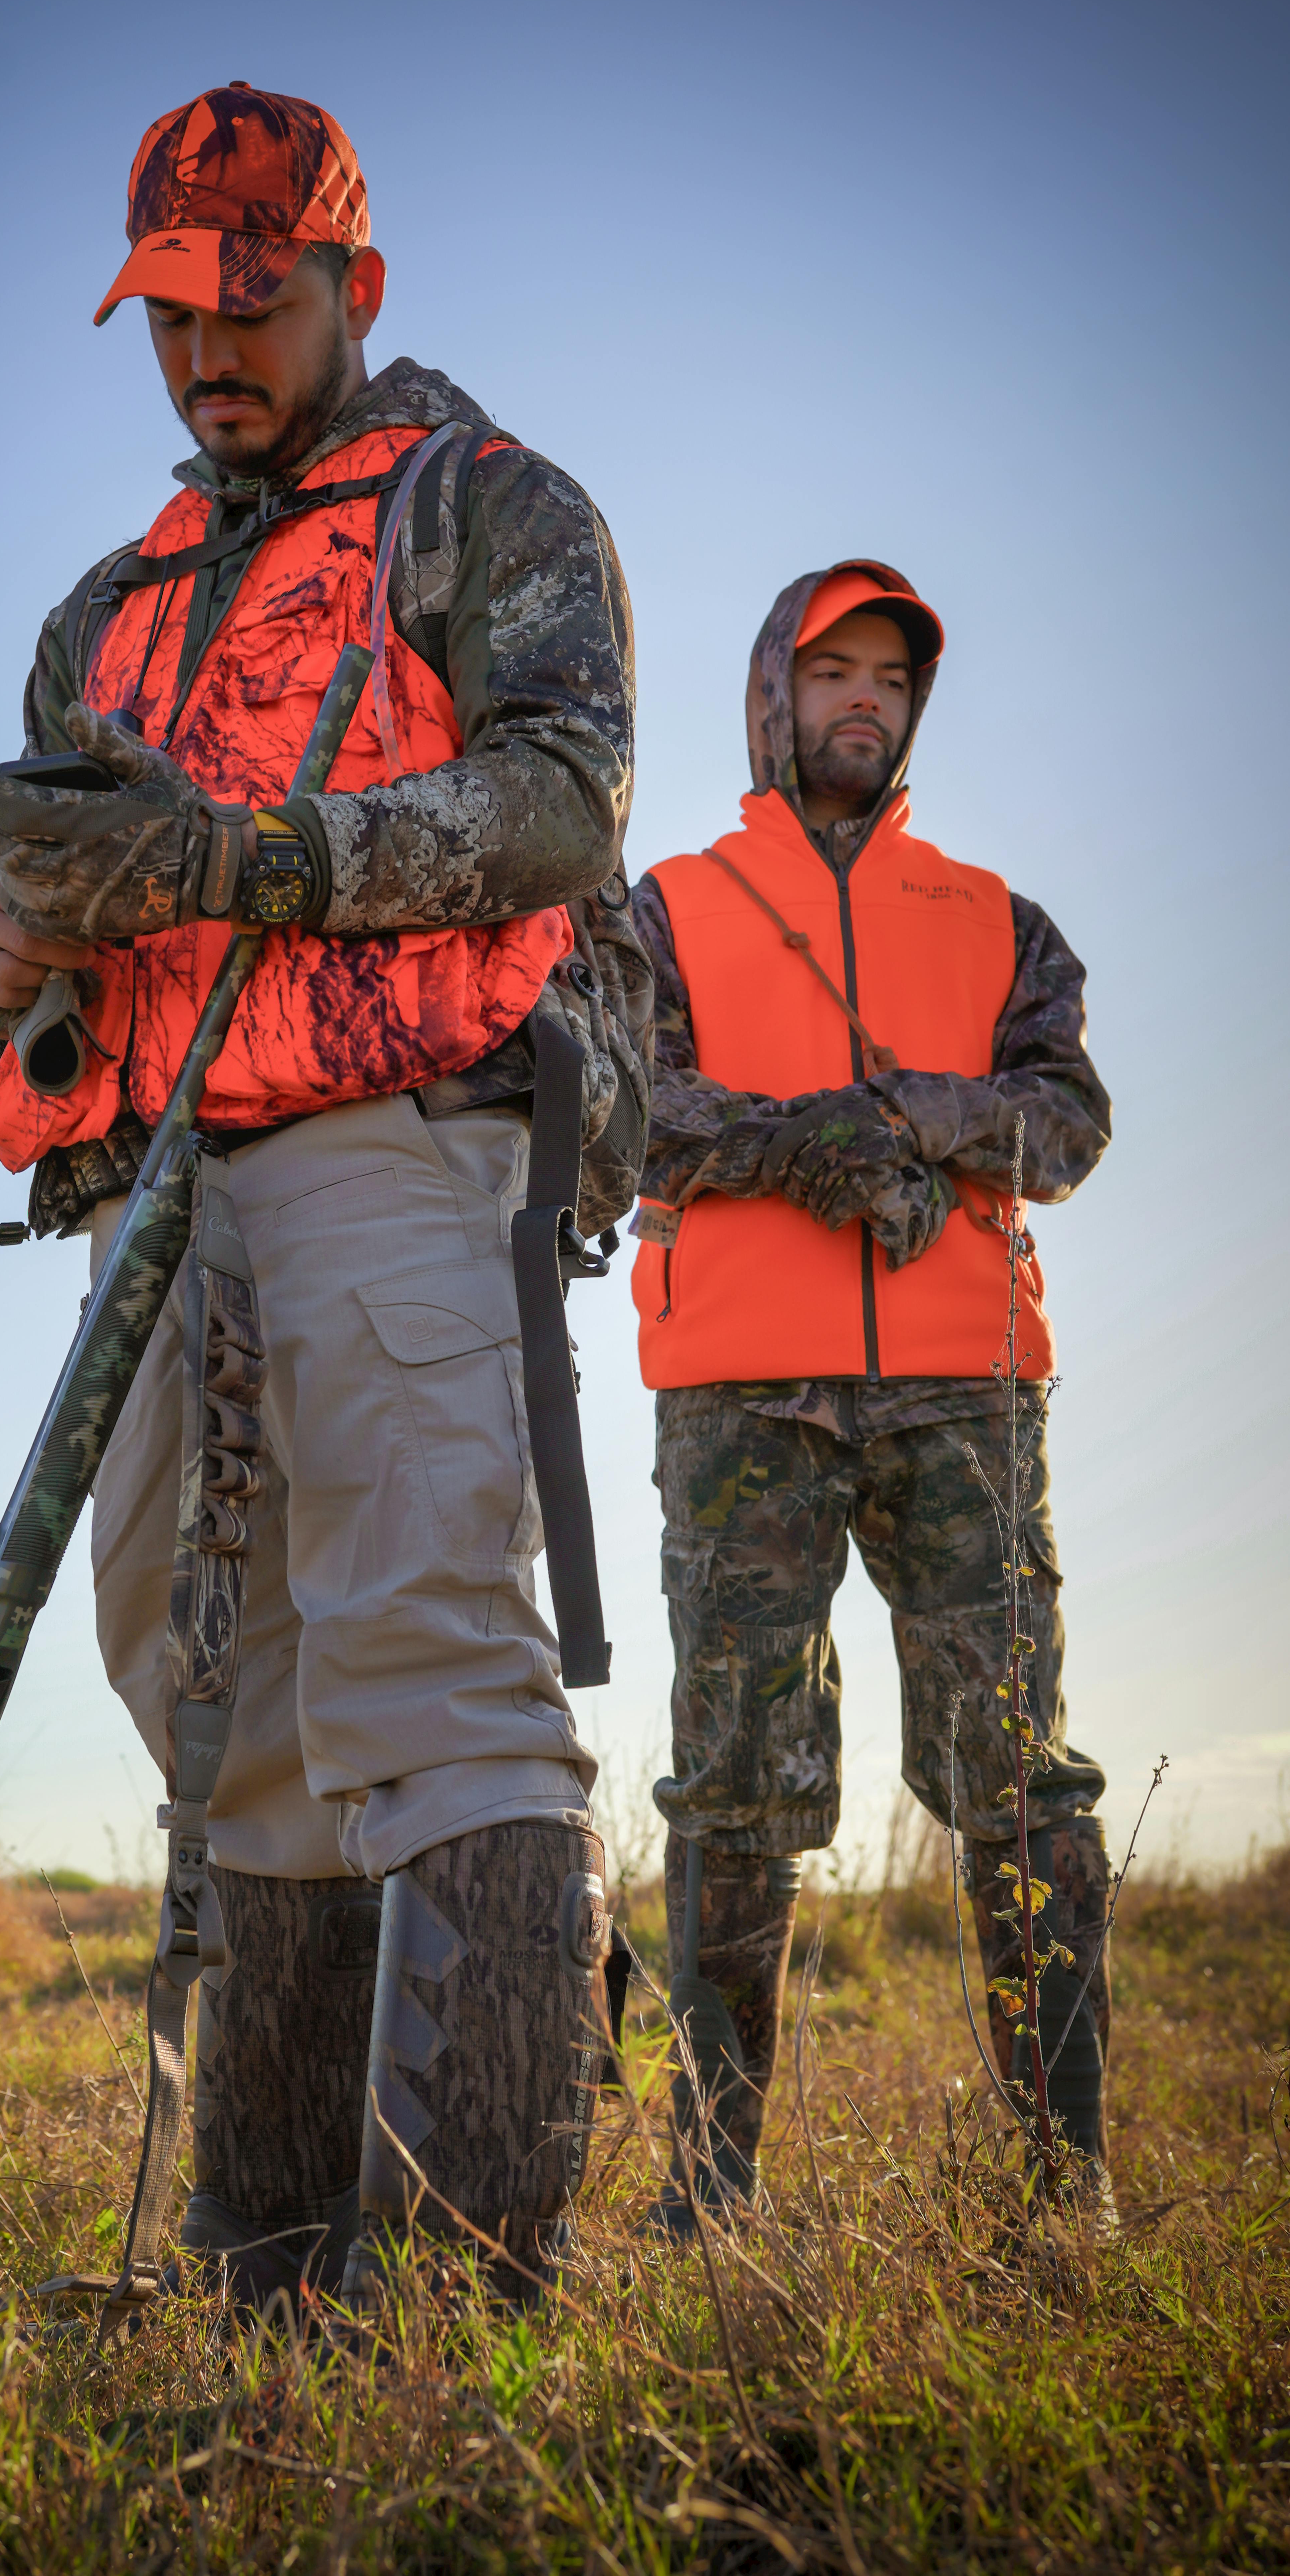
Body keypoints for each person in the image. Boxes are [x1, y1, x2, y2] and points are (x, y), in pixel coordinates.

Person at [0, 84, 649, 2308]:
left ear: (356, 278)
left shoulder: (488, 505)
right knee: (201, 1677)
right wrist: (8, 941)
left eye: (251, 294)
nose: (205, 346)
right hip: (158, 1185)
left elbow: (560, 809)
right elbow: (36, 887)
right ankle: (272, 2271)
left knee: (428, 1650)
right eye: (170, 304)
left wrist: (249, 864)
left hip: (400, 1136)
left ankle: (465, 2303)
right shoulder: (107, 608)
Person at [629, 561, 1114, 2219]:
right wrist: (798, 1150)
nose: (861, 697)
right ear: (771, 691)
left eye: (889, 678)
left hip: (963, 1388)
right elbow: (622, 1113)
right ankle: (709, 2198)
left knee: (1021, 1781)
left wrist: (913, 1113)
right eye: (831, 667)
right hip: (736, 1390)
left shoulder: (996, 919)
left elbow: (1068, 1123)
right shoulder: (665, 902)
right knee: (732, 1790)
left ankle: (1067, 2188)